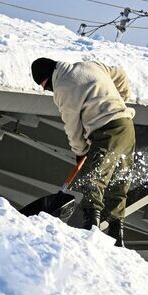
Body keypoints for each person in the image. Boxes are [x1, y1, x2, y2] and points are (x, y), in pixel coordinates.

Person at [30, 57, 136, 246]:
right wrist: (121, 101)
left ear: (48, 77)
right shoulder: (91, 66)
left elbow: (73, 127)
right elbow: (121, 75)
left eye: (45, 86)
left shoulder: (62, 88)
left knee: (93, 179)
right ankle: (116, 233)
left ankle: (91, 227)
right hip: (127, 127)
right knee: (118, 182)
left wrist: (80, 151)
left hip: (105, 131)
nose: (48, 90)